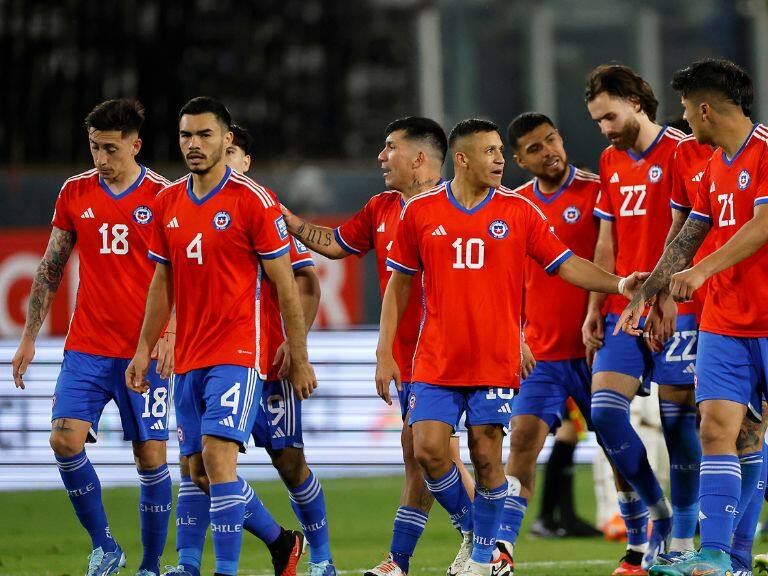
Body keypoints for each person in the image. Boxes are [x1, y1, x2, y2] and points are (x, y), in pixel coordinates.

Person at [376, 118, 648, 576]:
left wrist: (620, 283)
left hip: (495, 359)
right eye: (490, 151)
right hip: (436, 359)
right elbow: (398, 286)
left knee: (486, 458)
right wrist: (385, 352)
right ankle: (471, 529)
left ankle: (483, 559)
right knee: (427, 449)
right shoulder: (420, 212)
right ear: (462, 160)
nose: (500, 159)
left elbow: (566, 264)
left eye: (502, 150)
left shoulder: (519, 211)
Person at [125, 97, 317, 576]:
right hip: (189, 355)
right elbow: (162, 283)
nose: (194, 144)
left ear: (227, 139)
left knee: (215, 456)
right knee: (194, 470)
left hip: (238, 351)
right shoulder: (167, 201)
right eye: (186, 135)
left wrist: (300, 352)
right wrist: (144, 348)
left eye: (205, 135)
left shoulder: (253, 200)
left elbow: (285, 284)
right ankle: (269, 545)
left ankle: (223, 571)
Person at [280, 116, 478, 576]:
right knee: (420, 459)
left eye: (390, 147)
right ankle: (402, 560)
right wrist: (285, 220)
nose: (381, 156)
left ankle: (484, 540)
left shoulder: (460, 205)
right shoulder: (381, 207)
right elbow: (332, 245)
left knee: (433, 453)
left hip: (450, 353)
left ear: (420, 157)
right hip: (406, 355)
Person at [615, 58, 768, 576]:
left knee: (748, 439)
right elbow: (687, 237)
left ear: (705, 108)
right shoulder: (711, 165)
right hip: (725, 324)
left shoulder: (766, 151)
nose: (683, 120)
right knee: (718, 430)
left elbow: (763, 224)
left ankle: (735, 556)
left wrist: (700, 273)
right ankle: (719, 558)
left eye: (685, 108)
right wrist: (649, 291)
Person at [11, 98, 172, 576]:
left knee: (151, 459)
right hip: (86, 346)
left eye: (110, 149)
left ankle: (148, 566)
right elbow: (51, 266)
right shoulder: (74, 192)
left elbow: (184, 272)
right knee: (63, 439)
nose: (100, 159)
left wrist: (172, 333)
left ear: (134, 145)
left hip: (143, 350)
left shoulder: (163, 197)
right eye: (93, 148)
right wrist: (28, 337)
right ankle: (105, 546)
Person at [583, 64, 702, 573]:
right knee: (606, 414)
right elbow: (607, 242)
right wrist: (594, 306)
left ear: (635, 101)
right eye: (597, 122)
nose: (605, 129)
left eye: (610, 116)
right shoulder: (610, 160)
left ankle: (685, 534)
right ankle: (660, 514)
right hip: (624, 308)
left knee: (680, 429)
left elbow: (692, 233)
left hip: (680, 307)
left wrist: (668, 298)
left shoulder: (682, 149)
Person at [494, 112, 613, 571]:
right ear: (520, 160)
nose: (551, 152)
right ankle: (503, 546)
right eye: (537, 148)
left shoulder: (598, 190)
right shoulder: (516, 206)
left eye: (553, 140)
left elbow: (612, 255)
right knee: (522, 440)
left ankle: (647, 537)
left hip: (595, 348)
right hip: (539, 353)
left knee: (615, 444)